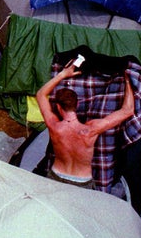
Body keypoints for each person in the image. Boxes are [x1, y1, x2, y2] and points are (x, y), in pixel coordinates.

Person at [35, 59, 135, 190]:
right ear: (77, 105)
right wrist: (128, 81)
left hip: (56, 176)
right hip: (82, 182)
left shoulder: (54, 126)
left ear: (58, 107)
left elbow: (41, 94)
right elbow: (128, 110)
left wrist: (63, 74)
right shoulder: (90, 130)